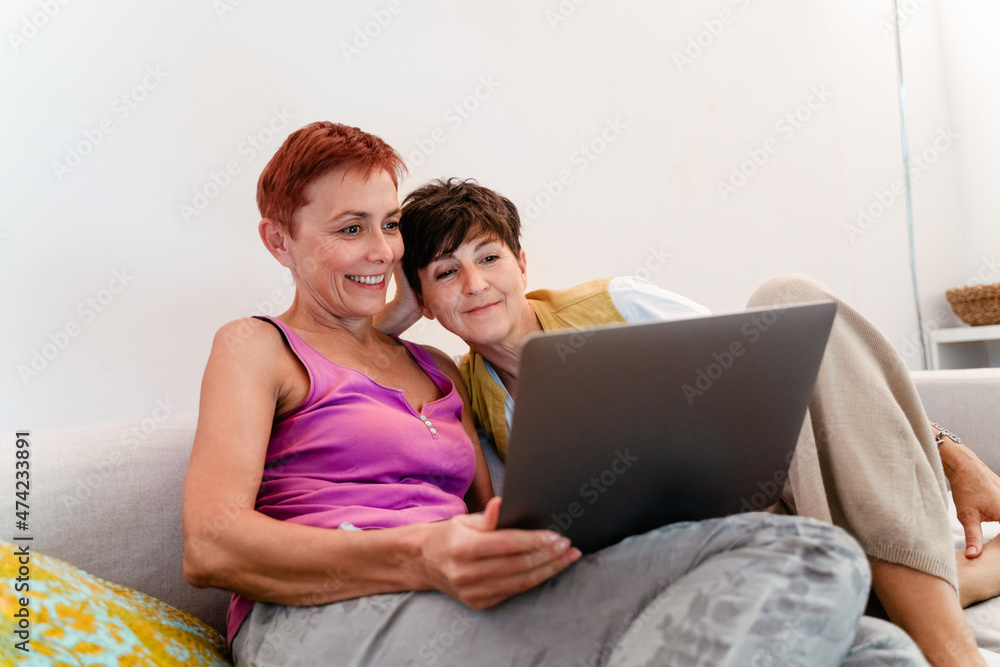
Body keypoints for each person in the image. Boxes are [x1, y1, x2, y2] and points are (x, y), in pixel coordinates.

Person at [181, 122, 929, 666]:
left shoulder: (438, 372)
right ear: (278, 241)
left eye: (389, 228)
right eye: (351, 229)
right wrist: (420, 554)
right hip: (323, 612)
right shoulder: (257, 346)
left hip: (460, 598)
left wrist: (395, 315)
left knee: (876, 645)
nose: (379, 250)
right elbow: (211, 543)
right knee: (811, 562)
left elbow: (492, 518)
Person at [392, 177, 1000, 666]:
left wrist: (946, 448)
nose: (474, 285)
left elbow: (780, 377)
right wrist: (398, 306)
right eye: (445, 272)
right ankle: (958, 581)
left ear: (522, 264)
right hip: (683, 552)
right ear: (422, 300)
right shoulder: (458, 390)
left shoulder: (617, 301)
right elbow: (356, 345)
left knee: (787, 294)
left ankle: (953, 655)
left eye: (489, 257)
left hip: (774, 491)